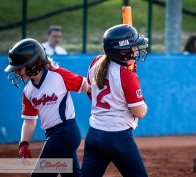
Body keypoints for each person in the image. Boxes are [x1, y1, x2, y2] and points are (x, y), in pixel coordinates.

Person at [4, 38, 89, 177]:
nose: (17, 73)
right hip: (54, 135)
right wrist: (24, 143)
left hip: (65, 132)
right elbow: (29, 121)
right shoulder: (28, 91)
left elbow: (85, 85)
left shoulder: (57, 75)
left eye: (19, 68)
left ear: (33, 64)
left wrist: (97, 99)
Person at [80, 24, 149, 177]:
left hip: (94, 135)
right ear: (122, 52)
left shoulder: (96, 63)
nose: (137, 49)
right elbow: (139, 112)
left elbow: (91, 92)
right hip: (117, 136)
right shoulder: (127, 76)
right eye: (133, 47)